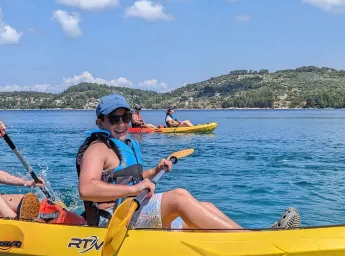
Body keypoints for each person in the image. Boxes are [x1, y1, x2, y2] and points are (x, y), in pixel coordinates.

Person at [76, 94, 300, 230]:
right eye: (114, 119)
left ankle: (246, 240)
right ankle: (254, 243)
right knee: (179, 197)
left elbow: (128, 179)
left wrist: (154, 171)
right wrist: (135, 188)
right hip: (114, 221)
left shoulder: (125, 144)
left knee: (206, 208)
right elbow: (87, 188)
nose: (122, 124)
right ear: (101, 122)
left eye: (125, 118)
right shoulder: (97, 149)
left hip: (132, 210)